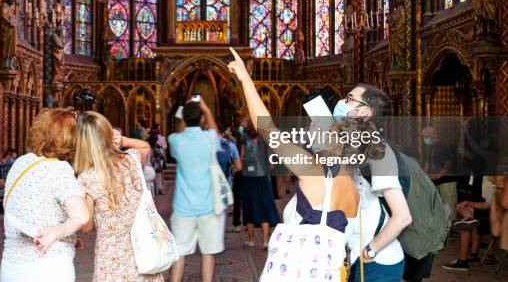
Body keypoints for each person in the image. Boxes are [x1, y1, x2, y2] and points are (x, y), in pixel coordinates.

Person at [227, 49, 410, 282]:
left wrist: (245, 78)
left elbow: (267, 129)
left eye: (318, 128)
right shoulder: (353, 189)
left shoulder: (314, 173)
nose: (312, 129)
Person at [0, 108, 91, 282]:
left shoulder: (21, 162)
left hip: (11, 265)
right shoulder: (58, 168)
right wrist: (57, 232)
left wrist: (67, 234)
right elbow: (81, 217)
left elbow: (32, 206)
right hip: (48, 265)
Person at [73, 111, 161, 281]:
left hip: (111, 259)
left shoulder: (87, 177)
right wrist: (123, 140)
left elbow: (86, 225)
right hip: (142, 250)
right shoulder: (131, 160)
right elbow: (145, 146)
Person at [168, 99, 225, 282]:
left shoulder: (175, 140)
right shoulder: (210, 138)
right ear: (202, 118)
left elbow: (180, 131)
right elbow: (215, 131)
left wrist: (184, 112)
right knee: (208, 253)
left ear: (183, 118)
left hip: (183, 207)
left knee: (179, 252)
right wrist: (207, 109)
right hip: (208, 206)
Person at [442, 176, 498, 271]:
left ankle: (462, 262)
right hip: (493, 218)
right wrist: (467, 203)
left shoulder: (502, 187)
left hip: (500, 223)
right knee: (465, 210)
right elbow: (485, 205)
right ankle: (470, 219)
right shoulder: (496, 187)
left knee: (465, 225)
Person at [240, 126, 279, 248]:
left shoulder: (245, 143)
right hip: (263, 180)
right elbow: (272, 165)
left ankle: (251, 240)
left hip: (248, 180)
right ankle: (265, 241)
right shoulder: (266, 144)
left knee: (249, 207)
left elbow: (241, 161)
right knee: (264, 207)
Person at [422, 126, 457, 220]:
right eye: (424, 137)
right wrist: (424, 175)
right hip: (436, 180)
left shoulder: (444, 145)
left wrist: (440, 174)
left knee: (449, 205)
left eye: (426, 137)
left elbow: (448, 162)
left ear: (433, 135)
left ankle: (453, 229)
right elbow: (428, 162)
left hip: (447, 180)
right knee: (439, 205)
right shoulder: (431, 147)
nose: (425, 139)